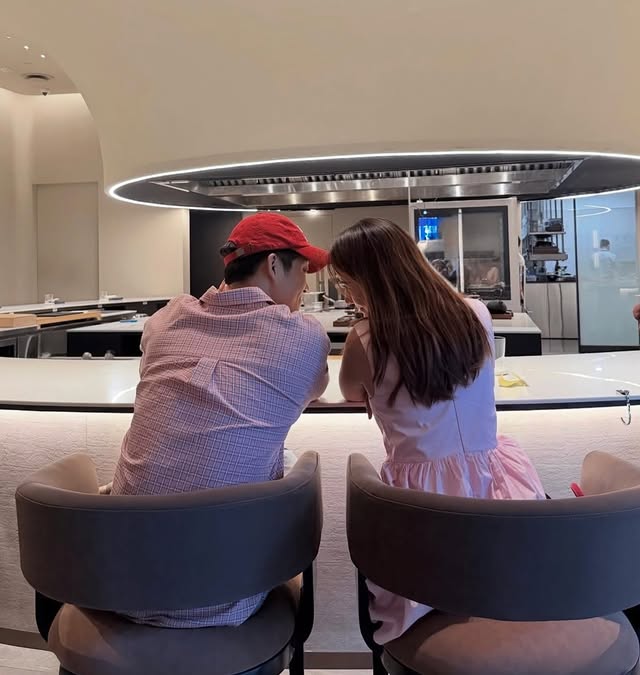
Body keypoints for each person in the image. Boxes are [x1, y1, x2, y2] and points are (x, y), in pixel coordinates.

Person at [35, 212, 331, 639]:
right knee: (279, 463)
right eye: (303, 270)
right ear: (273, 265)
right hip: (227, 595)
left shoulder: (167, 319)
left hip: (114, 584)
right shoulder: (304, 338)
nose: (305, 285)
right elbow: (313, 389)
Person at [330, 217, 545, 644]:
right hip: (496, 487)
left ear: (371, 280)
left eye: (347, 283)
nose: (348, 296)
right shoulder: (475, 312)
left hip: (422, 507)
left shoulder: (364, 338)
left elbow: (351, 392)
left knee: (422, 580)